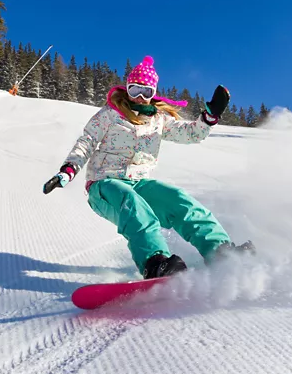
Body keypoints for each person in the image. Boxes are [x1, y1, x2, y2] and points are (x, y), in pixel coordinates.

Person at [43, 56, 254, 279]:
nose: (141, 98)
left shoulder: (158, 119)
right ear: (127, 89)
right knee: (133, 204)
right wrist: (68, 170)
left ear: (153, 93)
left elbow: (191, 134)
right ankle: (154, 261)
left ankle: (220, 252)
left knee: (179, 200)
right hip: (104, 185)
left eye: (146, 92)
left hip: (139, 183)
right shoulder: (110, 114)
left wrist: (209, 118)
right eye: (135, 91)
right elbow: (86, 141)